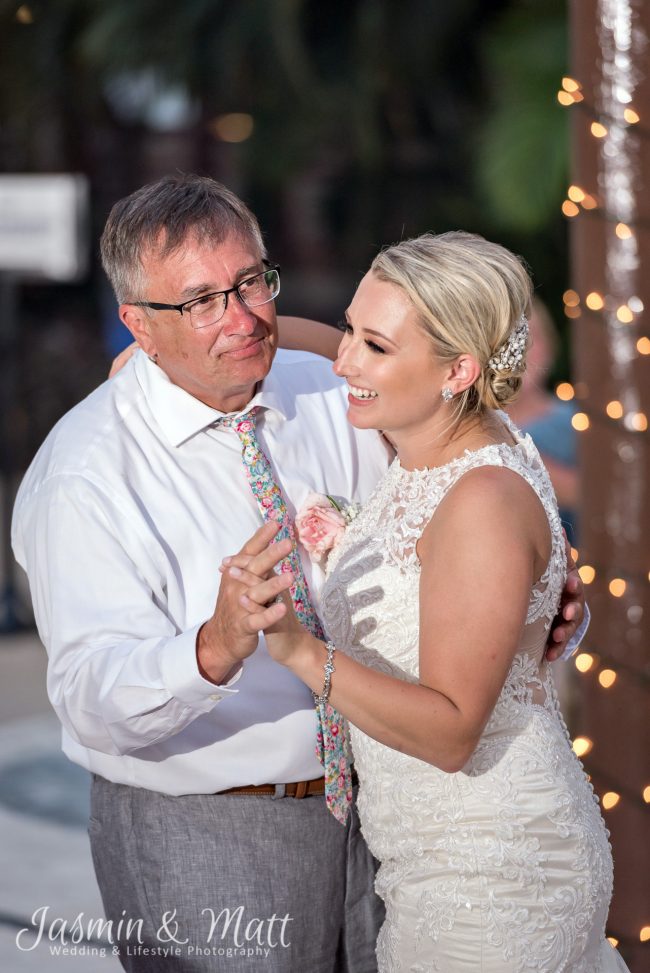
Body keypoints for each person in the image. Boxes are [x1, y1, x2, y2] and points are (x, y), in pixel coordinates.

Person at [11, 175, 586, 973]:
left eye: (251, 280)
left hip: (392, 818)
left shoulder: (339, 389)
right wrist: (215, 644)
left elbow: (467, 509)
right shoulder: (88, 471)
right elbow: (86, 693)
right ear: (138, 326)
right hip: (208, 834)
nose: (243, 317)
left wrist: (539, 594)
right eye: (201, 301)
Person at [223, 232, 628, 972]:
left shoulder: (480, 498)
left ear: (459, 369)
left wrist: (300, 651)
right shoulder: (451, 444)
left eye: (374, 345)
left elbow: (451, 733)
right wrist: (227, 340)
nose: (344, 359)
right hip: (442, 858)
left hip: (493, 878)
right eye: (349, 328)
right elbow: (315, 339)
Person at [507, 297, 579, 544]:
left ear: (551, 345)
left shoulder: (577, 423)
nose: (521, 350)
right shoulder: (456, 426)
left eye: (531, 338)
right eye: (505, 340)